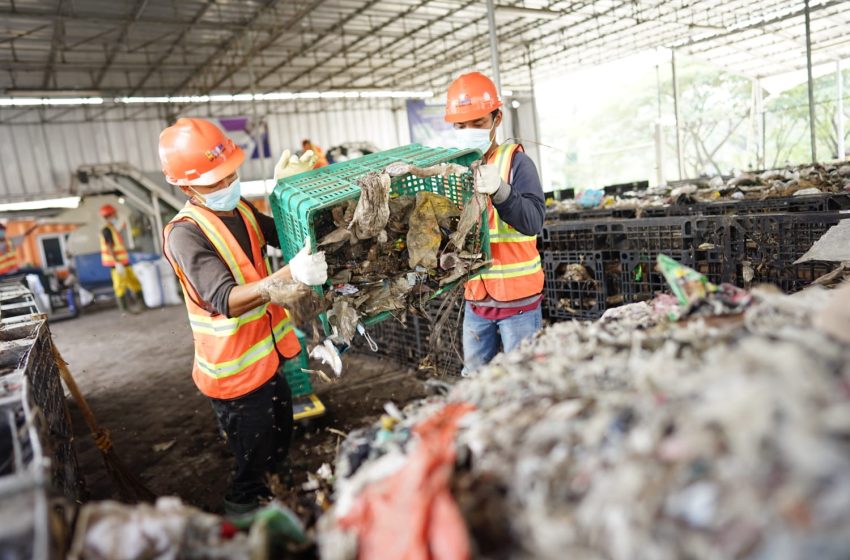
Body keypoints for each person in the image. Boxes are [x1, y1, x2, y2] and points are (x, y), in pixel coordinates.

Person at [159, 117, 326, 514]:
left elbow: (284, 233)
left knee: (280, 433)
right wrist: (290, 275)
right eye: (215, 181)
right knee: (255, 456)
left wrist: (291, 191)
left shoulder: (240, 207)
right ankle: (246, 511)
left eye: (230, 174)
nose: (226, 185)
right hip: (233, 371)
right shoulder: (185, 233)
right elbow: (223, 298)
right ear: (186, 187)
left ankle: (277, 493)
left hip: (266, 357)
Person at [444, 72, 545, 375]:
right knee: (476, 381)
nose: (469, 131)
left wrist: (502, 191)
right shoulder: (456, 170)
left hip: (519, 306)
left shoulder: (516, 162)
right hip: (477, 301)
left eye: (478, 123)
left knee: (522, 381)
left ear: (497, 118)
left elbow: (533, 221)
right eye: (461, 126)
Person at [99, 204, 144, 313]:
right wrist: (117, 262)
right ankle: (125, 309)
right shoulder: (107, 230)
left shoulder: (112, 228)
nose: (116, 215)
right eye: (114, 213)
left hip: (124, 262)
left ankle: (142, 304)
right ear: (109, 215)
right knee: (120, 286)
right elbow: (109, 247)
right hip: (117, 264)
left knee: (134, 282)